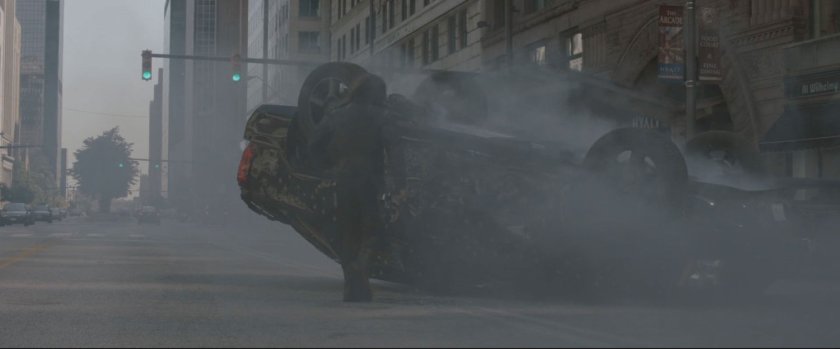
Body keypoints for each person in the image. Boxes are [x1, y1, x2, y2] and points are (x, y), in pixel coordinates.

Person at [308, 74, 388, 302]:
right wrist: (397, 183)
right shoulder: (382, 116)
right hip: (371, 181)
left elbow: (314, 145)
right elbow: (394, 149)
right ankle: (361, 268)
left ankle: (351, 287)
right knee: (372, 231)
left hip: (342, 179)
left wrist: (326, 168)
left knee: (348, 233)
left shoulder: (336, 115)